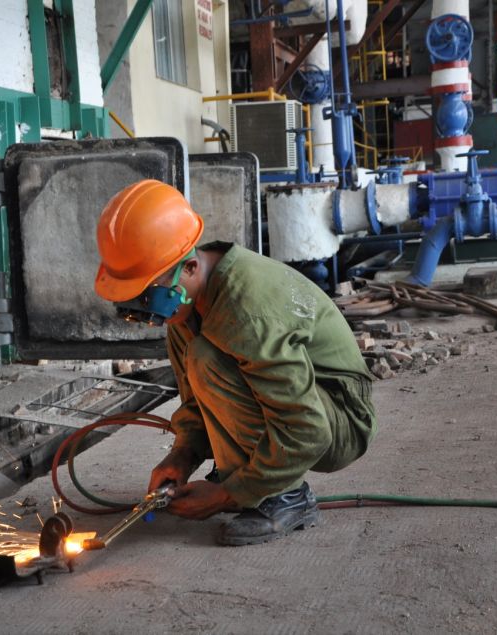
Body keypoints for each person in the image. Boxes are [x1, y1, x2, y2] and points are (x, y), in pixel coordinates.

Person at [94, 179, 377, 546]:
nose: (146, 315)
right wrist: (182, 456)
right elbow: (197, 400)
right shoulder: (188, 304)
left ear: (191, 267)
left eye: (149, 299)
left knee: (206, 356)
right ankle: (251, 478)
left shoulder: (245, 314)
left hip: (340, 419)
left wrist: (230, 495)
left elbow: (308, 430)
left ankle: (286, 497)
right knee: (203, 356)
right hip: (306, 411)